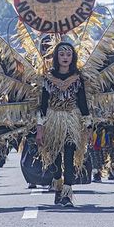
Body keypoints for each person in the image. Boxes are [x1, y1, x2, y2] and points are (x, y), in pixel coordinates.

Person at [36, 42, 92, 207]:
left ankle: (67, 193)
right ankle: (58, 185)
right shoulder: (48, 78)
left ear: (73, 57)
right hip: (53, 120)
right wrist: (40, 128)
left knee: (69, 154)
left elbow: (83, 104)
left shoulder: (78, 78)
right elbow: (43, 105)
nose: (65, 58)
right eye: (62, 55)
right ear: (56, 57)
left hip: (71, 120)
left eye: (68, 55)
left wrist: (88, 126)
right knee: (54, 157)